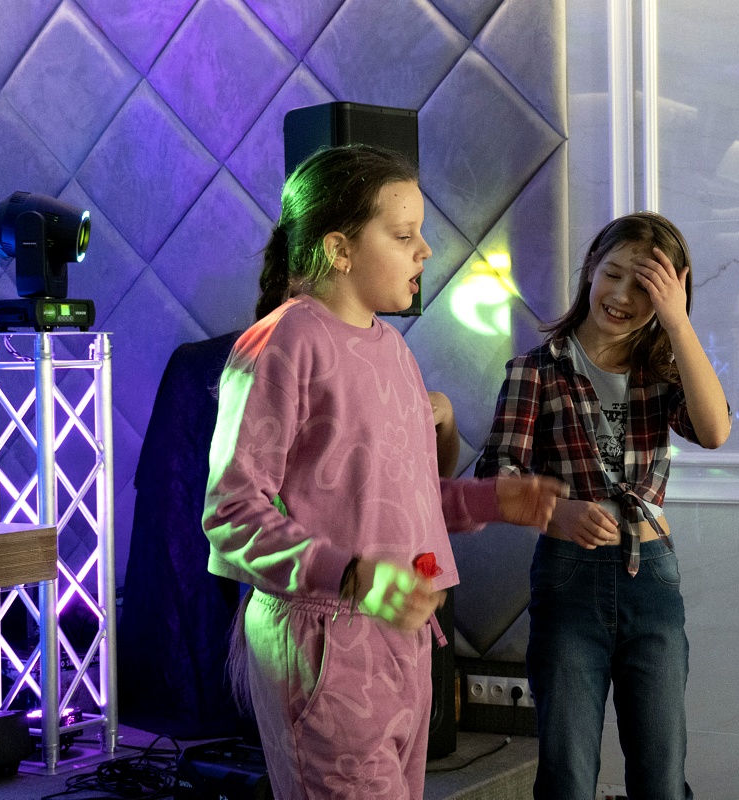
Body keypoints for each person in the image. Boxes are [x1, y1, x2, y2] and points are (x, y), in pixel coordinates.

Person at [202, 144, 564, 800]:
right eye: (403, 235)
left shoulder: (393, 348)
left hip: (401, 637)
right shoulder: (284, 342)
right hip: (322, 641)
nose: (425, 250)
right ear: (339, 250)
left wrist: (491, 500)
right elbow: (231, 515)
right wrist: (350, 574)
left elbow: (398, 498)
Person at [476, 212, 731, 800]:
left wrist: (678, 322)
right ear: (590, 267)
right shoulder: (536, 371)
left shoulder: (662, 372)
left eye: (644, 287)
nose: (621, 296)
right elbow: (494, 476)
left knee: (661, 777)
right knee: (566, 777)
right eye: (613, 274)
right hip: (569, 579)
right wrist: (557, 513)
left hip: (652, 577)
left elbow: (714, 430)